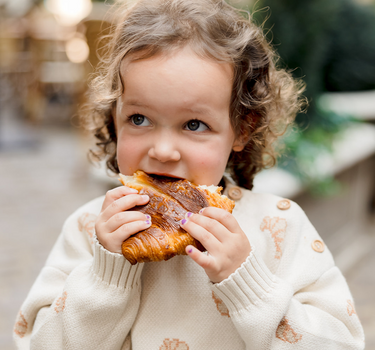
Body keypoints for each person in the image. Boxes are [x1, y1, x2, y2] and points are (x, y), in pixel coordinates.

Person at [14, 0, 365, 348]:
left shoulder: (280, 228)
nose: (163, 150)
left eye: (194, 124)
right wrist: (106, 275)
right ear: (114, 118)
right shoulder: (89, 230)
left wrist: (248, 283)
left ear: (242, 129)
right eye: (139, 119)